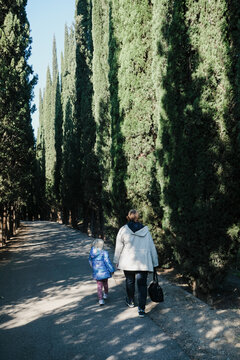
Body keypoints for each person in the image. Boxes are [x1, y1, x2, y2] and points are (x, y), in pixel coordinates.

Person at [113, 209, 159, 317]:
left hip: (128, 261)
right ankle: (142, 309)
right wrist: (155, 262)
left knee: (130, 281)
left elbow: (118, 246)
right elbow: (152, 247)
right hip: (143, 262)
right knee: (142, 285)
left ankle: (131, 301)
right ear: (138, 217)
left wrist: (116, 260)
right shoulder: (146, 231)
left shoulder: (123, 230)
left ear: (128, 217)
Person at [89, 238, 115, 306]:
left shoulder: (92, 253)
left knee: (99, 286)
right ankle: (105, 294)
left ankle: (100, 300)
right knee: (105, 283)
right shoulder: (104, 252)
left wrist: (94, 267)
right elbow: (107, 262)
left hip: (97, 272)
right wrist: (111, 270)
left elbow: (90, 261)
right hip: (104, 272)